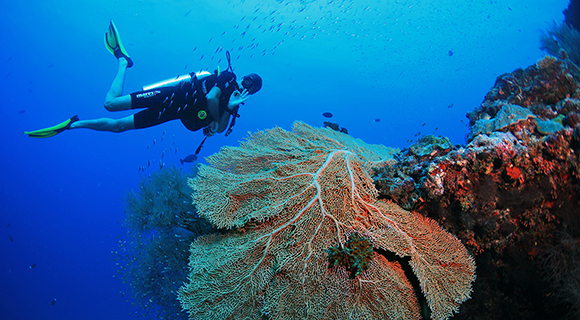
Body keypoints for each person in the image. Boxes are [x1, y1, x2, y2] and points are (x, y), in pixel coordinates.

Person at [24, 21, 262, 139]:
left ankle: (72, 125)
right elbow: (211, 98)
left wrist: (229, 108)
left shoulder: (234, 105)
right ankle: (123, 61)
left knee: (119, 127)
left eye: (251, 89)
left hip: (172, 113)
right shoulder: (228, 78)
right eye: (248, 81)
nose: (245, 87)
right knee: (110, 104)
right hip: (172, 95)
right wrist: (220, 112)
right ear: (243, 77)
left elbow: (216, 131)